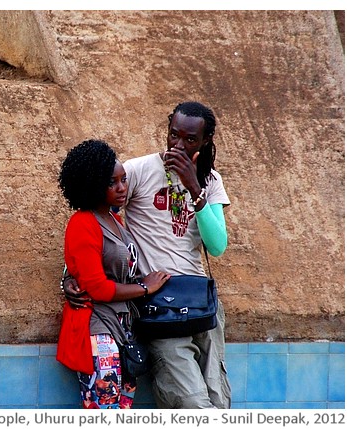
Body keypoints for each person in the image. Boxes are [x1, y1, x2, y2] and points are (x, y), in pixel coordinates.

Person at [63, 101, 232, 409]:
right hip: (160, 304)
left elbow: (217, 246)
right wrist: (71, 275)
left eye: (190, 139)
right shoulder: (138, 171)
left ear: (205, 141)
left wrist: (196, 189)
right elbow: (94, 220)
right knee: (189, 402)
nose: (178, 145)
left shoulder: (211, 181)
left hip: (202, 303)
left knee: (217, 397)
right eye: (173, 135)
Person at [55, 139, 171, 409]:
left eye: (123, 180)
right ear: (93, 183)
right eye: (112, 182)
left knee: (123, 409)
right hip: (99, 329)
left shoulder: (116, 221)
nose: (122, 188)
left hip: (125, 330)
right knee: (103, 410)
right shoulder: (83, 224)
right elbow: (98, 289)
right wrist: (146, 287)